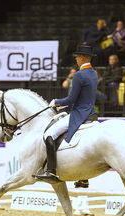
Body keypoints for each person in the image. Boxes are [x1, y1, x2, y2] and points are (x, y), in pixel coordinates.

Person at [33, 44, 97, 183]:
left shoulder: (79, 75)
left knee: (49, 134)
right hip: (91, 112)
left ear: (83, 57)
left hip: (79, 114)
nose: (76, 59)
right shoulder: (93, 73)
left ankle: (51, 171)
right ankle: (84, 178)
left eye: (78, 57)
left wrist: (56, 102)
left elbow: (71, 99)